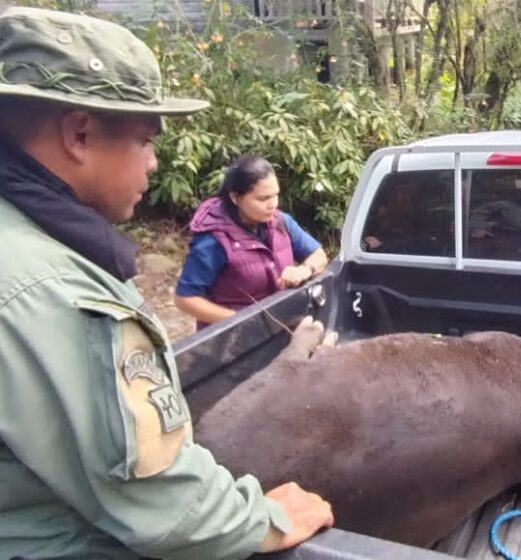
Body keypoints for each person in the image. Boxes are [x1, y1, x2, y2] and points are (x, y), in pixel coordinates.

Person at [0, 7, 332, 560]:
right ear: (79, 133)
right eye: (146, 141)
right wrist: (266, 518)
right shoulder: (56, 293)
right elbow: (163, 502)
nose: (155, 163)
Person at [174, 155, 328, 329]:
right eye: (263, 199)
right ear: (235, 197)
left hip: (278, 328)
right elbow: (184, 299)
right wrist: (240, 320)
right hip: (230, 343)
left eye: (275, 196)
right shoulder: (214, 240)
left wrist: (304, 270)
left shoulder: (280, 222)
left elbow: (319, 254)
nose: (273, 205)